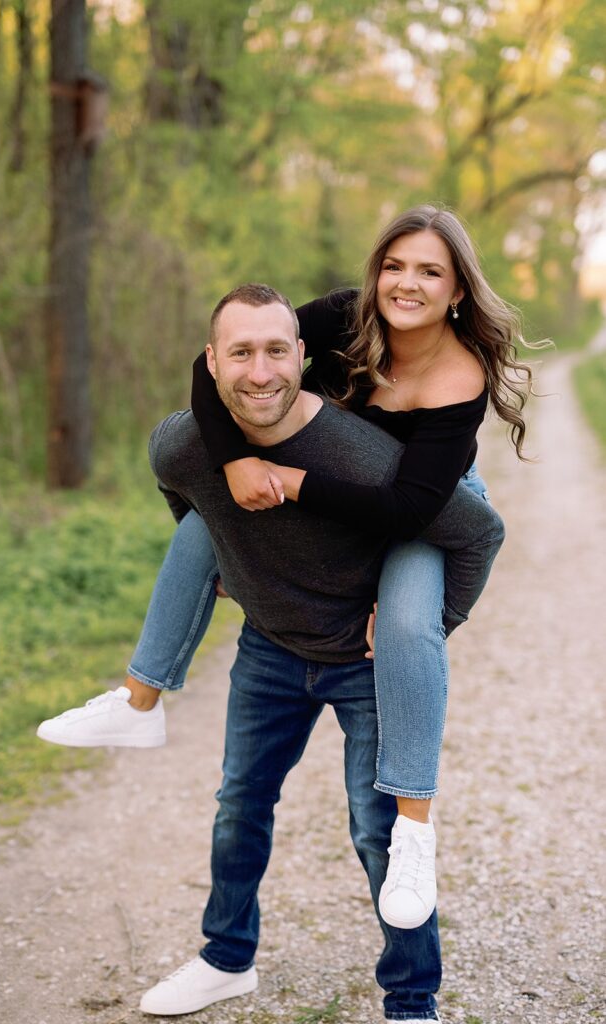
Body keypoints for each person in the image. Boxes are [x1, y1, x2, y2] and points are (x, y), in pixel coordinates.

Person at [38, 205, 532, 929]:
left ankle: (413, 832)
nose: (406, 283)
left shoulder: (458, 375)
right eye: (394, 265)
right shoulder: (342, 318)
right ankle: (138, 702)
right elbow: (220, 360)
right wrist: (237, 462)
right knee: (209, 520)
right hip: (342, 493)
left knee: (400, 623)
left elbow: (406, 510)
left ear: (457, 290)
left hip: (423, 512)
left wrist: (289, 482)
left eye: (429, 271)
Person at [135, 283, 504, 1020]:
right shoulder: (205, 435)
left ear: (304, 357)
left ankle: (410, 999)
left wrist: (429, 626)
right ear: (214, 363)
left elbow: (475, 530)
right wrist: (232, 567)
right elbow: (190, 494)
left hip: (367, 662)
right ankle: (224, 958)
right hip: (271, 649)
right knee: (239, 804)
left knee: (380, 830)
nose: (261, 370)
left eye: (276, 351)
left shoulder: (358, 446)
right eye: (241, 354)